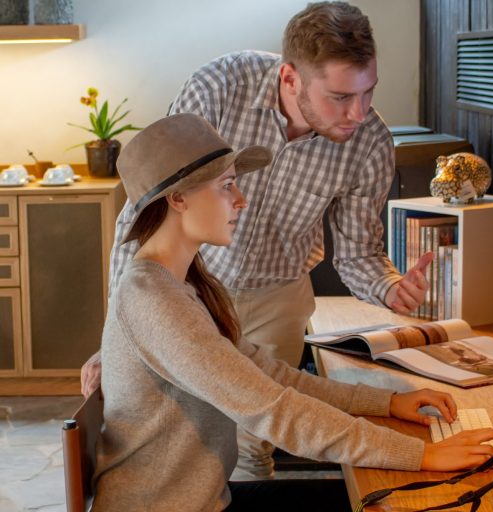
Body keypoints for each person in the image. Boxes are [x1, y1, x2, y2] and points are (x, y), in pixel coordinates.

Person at [81, 1, 434, 476]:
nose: (359, 112)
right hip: (195, 286)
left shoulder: (369, 141)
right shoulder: (220, 86)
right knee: (187, 438)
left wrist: (391, 287)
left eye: (368, 92)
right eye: (339, 97)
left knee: (254, 446)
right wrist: (119, 333)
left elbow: (357, 252)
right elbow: (149, 205)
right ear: (290, 78)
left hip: (279, 294)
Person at [92, 113, 493, 511]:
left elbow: (272, 377)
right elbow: (271, 409)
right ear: (177, 198)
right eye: (227, 185)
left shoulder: (184, 284)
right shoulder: (154, 300)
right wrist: (422, 454)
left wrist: (387, 403)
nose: (241, 200)